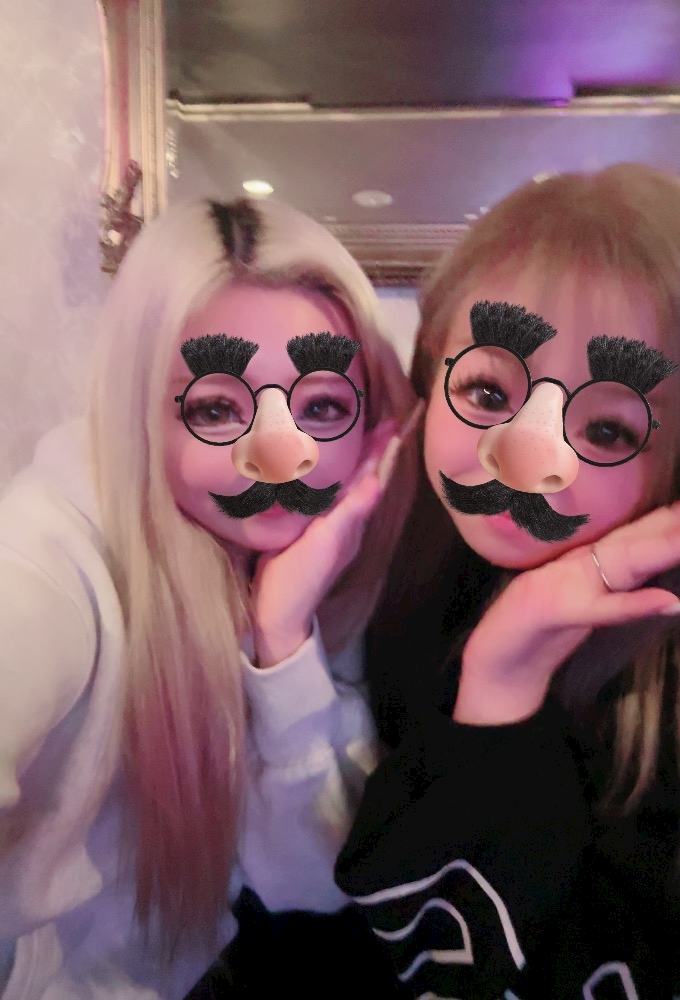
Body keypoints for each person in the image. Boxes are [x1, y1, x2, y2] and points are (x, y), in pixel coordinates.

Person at [335, 164, 680, 999]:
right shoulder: (412, 576)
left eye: (607, 429)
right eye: (489, 389)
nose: (524, 460)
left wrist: (504, 681)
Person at [0, 195, 418, 999]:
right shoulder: (50, 562)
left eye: (323, 406)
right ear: (141, 412)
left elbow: (309, 884)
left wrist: (282, 642)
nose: (281, 455)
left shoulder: (319, 561)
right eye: (218, 408)